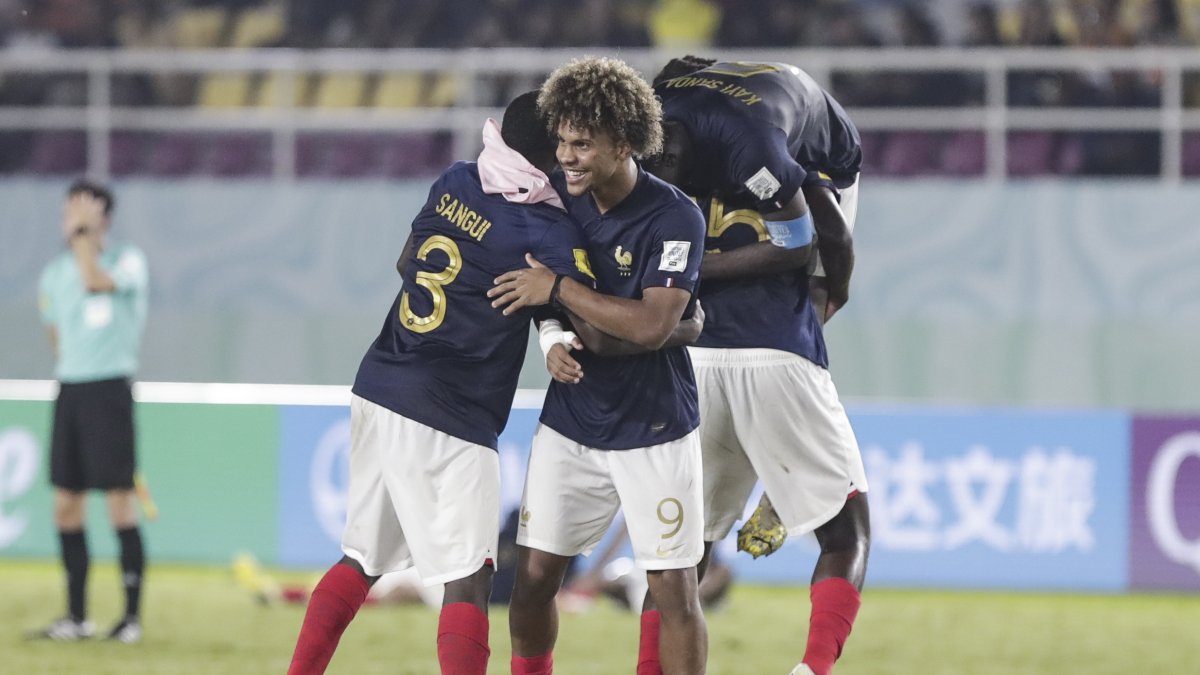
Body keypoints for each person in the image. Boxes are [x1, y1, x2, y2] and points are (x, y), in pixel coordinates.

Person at [285, 92, 595, 675]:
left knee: (360, 557)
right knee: (470, 576)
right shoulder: (547, 225)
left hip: (381, 382)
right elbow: (575, 304)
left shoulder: (456, 179)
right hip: (452, 409)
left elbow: (408, 262)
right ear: (551, 153)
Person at [643, 56, 871, 675]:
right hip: (775, 360)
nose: (659, 178)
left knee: (678, 550)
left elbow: (820, 242)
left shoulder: (763, 147)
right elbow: (834, 244)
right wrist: (828, 297)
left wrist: (830, 288)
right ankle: (811, 671)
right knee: (847, 532)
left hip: (690, 364)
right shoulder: (653, 125)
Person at [488, 56, 709, 675]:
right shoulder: (555, 200)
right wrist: (552, 333)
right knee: (531, 577)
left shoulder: (675, 217)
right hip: (574, 420)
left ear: (625, 142)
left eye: (582, 143)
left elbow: (652, 324)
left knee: (672, 591)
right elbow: (529, 286)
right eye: (561, 141)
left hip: (655, 425)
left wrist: (558, 289)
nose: (567, 156)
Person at [30, 180, 149, 644]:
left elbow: (94, 280)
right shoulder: (52, 274)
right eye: (69, 213)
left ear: (105, 219)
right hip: (71, 391)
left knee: (119, 500)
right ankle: (76, 617)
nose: (73, 222)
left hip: (109, 392)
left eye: (84, 213)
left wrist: (84, 242)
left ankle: (131, 619)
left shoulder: (127, 262)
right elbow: (55, 334)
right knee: (66, 504)